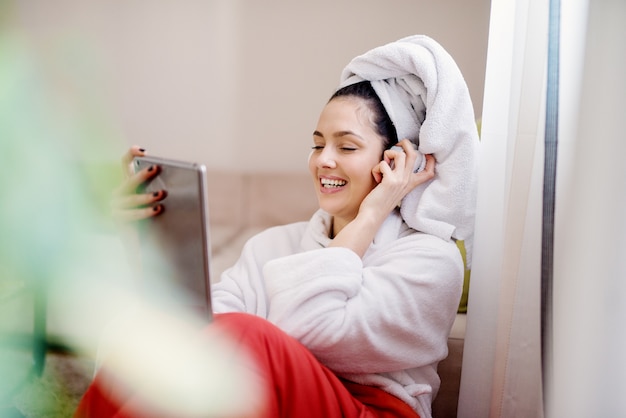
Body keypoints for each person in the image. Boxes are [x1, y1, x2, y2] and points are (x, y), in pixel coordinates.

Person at [76, 35, 479, 418]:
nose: (323, 160)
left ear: (395, 161)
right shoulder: (274, 245)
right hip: (275, 398)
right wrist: (139, 241)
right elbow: (200, 333)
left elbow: (311, 328)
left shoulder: (431, 260)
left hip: (374, 409)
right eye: (318, 143)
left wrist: (372, 214)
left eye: (347, 146)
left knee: (249, 336)